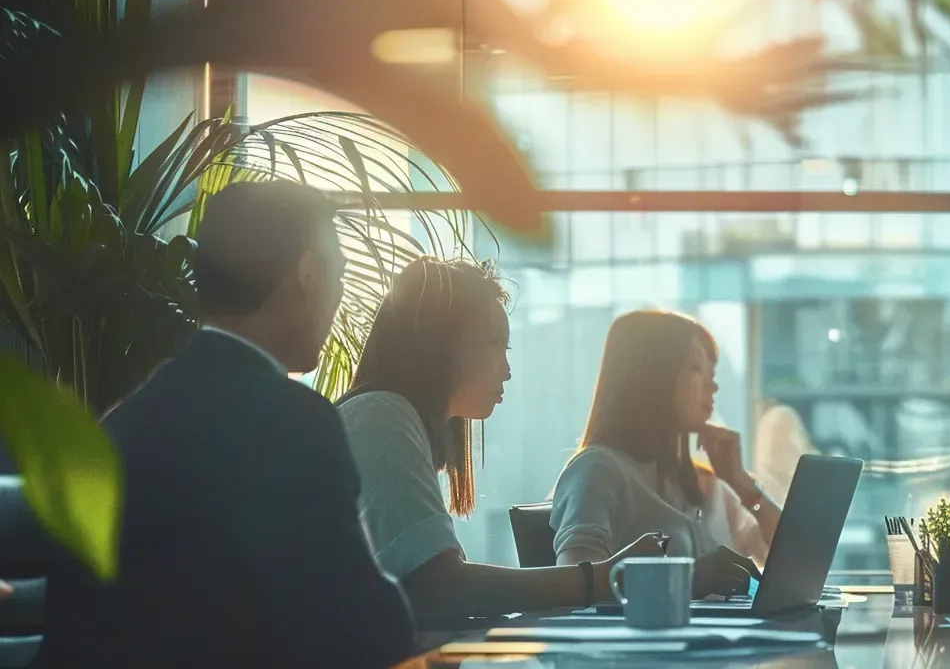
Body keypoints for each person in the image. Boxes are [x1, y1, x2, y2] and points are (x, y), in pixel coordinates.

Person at [38, 182, 417, 667]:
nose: (340, 294)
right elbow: (366, 635)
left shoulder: (127, 419)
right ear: (307, 275)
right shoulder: (291, 424)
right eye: (339, 274)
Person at [337, 257, 666, 619]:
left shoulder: (390, 418)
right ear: (441, 344)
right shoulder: (379, 415)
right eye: (496, 345)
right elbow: (441, 586)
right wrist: (603, 578)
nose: (507, 370)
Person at [548, 309, 775, 597]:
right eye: (695, 367)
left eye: (712, 372)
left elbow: (790, 562)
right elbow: (574, 585)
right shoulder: (599, 470)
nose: (712, 385)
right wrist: (688, 579)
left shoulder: (702, 484)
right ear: (652, 372)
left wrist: (742, 483)